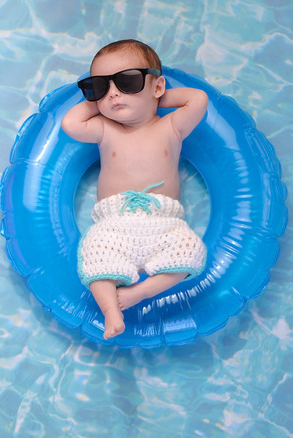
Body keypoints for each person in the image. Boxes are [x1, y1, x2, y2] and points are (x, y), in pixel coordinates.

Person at [61, 39, 208, 339]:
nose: (114, 92)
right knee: (94, 253)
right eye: (100, 87)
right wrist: (104, 102)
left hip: (164, 221)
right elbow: (70, 123)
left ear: (157, 86)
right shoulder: (106, 129)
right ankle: (111, 311)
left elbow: (198, 99)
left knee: (191, 251)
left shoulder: (172, 127)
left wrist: (158, 98)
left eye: (128, 81)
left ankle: (139, 293)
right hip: (114, 222)